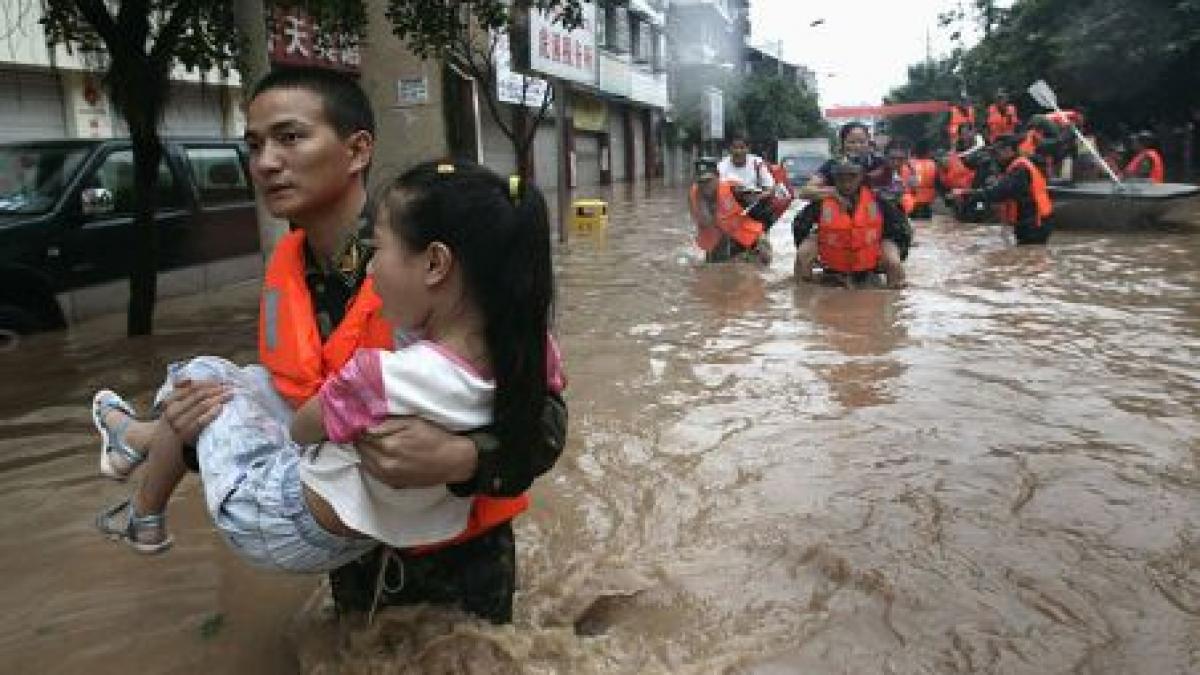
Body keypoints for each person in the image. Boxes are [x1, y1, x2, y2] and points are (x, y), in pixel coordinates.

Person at [92, 66, 568, 624]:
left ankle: (138, 442)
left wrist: (465, 459)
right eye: (254, 145)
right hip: (345, 541)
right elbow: (295, 414)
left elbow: (545, 416)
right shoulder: (289, 268)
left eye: (290, 138)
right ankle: (150, 439)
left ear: (357, 149)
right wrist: (195, 427)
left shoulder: (431, 252)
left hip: (457, 560)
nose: (266, 162)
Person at [792, 159, 911, 289]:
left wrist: (895, 252)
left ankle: (895, 293)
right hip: (833, 258)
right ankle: (802, 293)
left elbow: (901, 230)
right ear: (834, 179)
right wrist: (813, 250)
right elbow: (800, 226)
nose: (846, 184)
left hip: (870, 253)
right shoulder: (822, 201)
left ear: (861, 177)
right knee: (803, 254)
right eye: (841, 178)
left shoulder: (878, 200)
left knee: (893, 262)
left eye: (852, 177)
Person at [957, 134, 1054, 245]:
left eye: (997, 152)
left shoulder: (1020, 170)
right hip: (1034, 221)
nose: (995, 156)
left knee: (1030, 256)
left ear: (1008, 150)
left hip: (1034, 223)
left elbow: (999, 193)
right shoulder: (1018, 166)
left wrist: (967, 194)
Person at [689, 157, 771, 264]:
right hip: (718, 244)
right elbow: (702, 222)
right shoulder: (693, 196)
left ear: (718, 177)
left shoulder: (734, 190)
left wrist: (762, 239)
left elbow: (763, 203)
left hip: (748, 238)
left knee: (759, 261)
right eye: (701, 182)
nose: (705, 186)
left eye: (709, 180)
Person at [798, 122, 890, 203]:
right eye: (852, 142)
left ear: (869, 142)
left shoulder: (879, 163)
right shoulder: (832, 165)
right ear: (842, 144)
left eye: (862, 142)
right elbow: (805, 192)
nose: (857, 146)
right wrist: (833, 192)